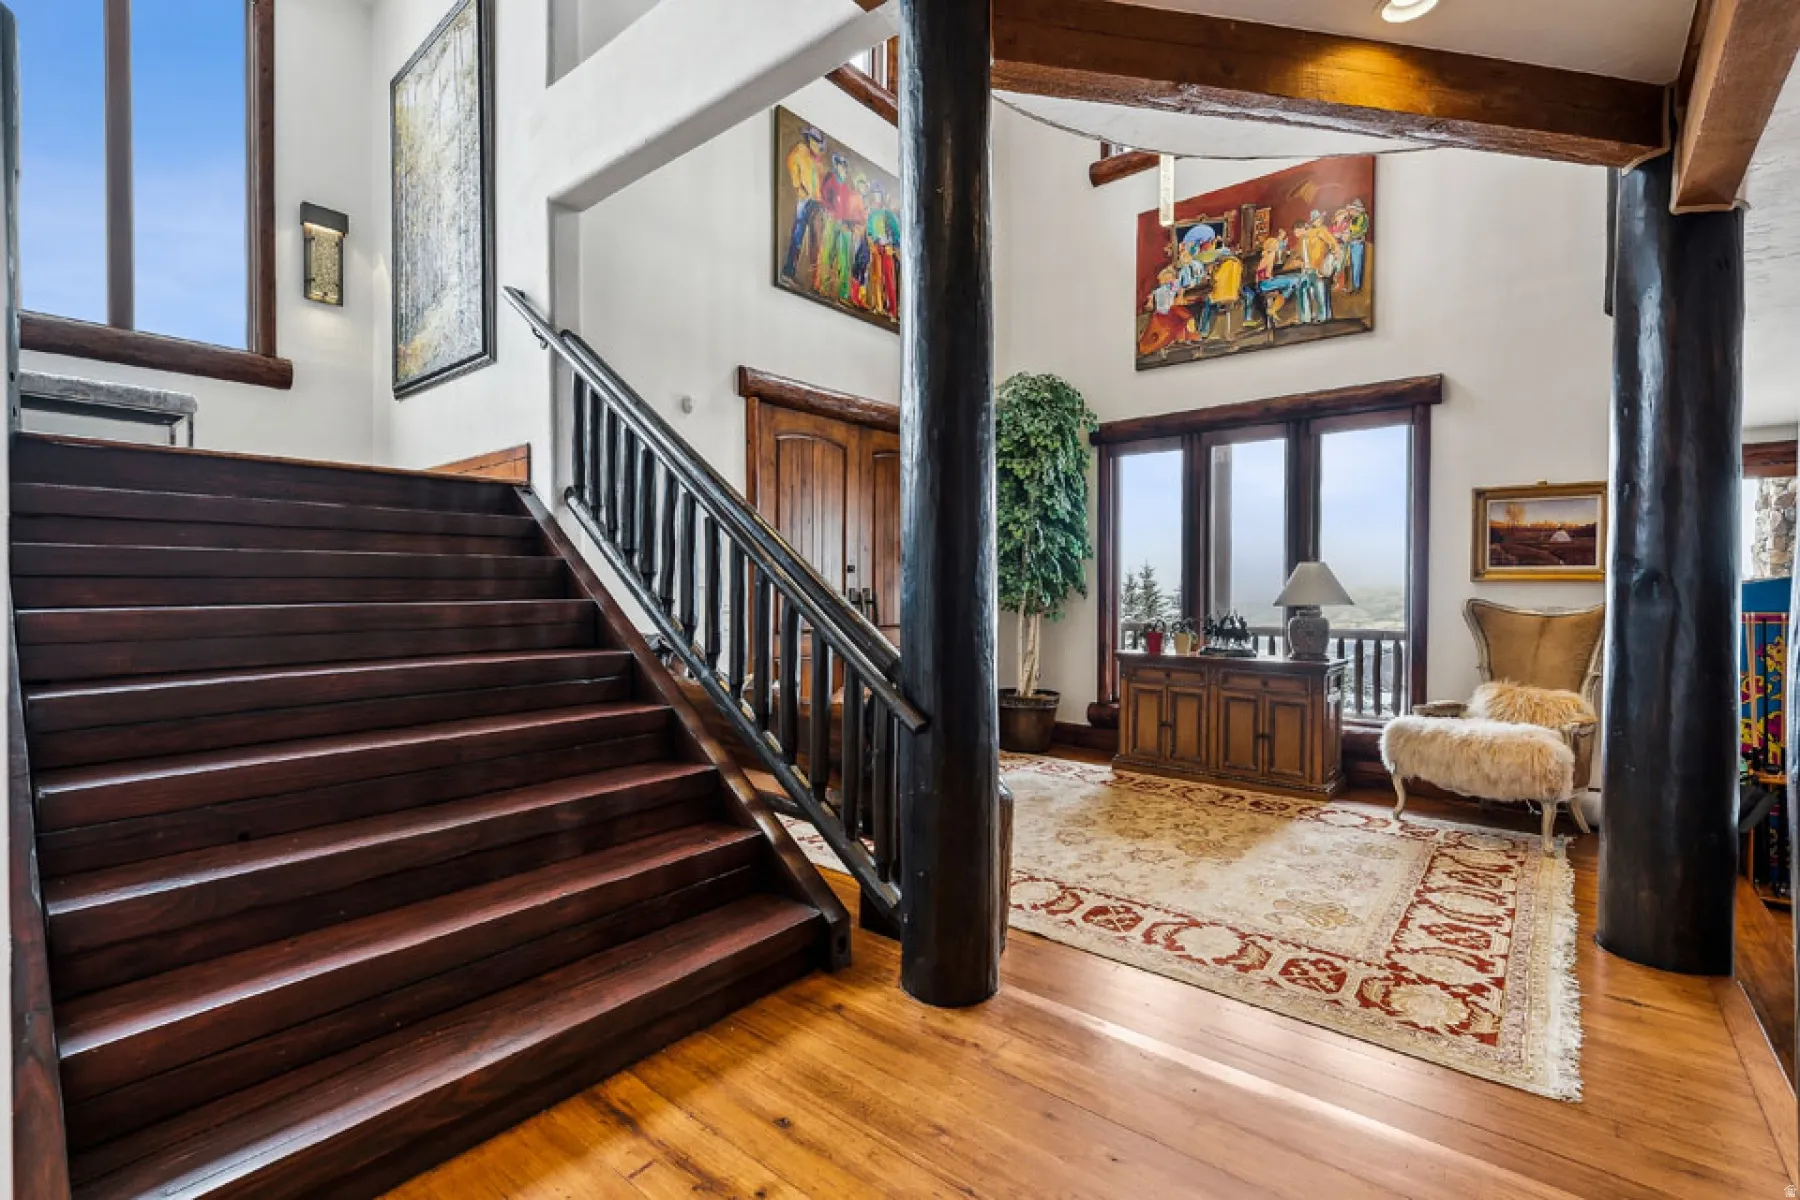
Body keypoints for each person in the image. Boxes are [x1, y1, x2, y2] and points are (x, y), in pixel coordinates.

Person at [781, 127, 828, 282]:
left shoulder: (818, 162)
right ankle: (789, 270)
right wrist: (798, 187)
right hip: (805, 200)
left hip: (817, 202)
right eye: (815, 141)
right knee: (798, 234)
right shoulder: (800, 151)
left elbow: (822, 182)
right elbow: (791, 162)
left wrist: (822, 200)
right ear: (810, 140)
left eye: (819, 143)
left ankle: (815, 280)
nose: (817, 146)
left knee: (816, 239)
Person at [864, 182, 901, 317]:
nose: (876, 198)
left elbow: (897, 232)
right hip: (876, 248)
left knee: (889, 278)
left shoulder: (888, 214)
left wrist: (893, 245)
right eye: (874, 195)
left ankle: (892, 310)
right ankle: (879, 306)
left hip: (887, 248)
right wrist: (870, 242)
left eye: (878, 195)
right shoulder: (871, 215)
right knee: (876, 277)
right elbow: (869, 231)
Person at [1340, 198, 1370, 293]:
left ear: (1357, 210)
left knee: (1357, 265)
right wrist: (1346, 233)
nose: (1350, 211)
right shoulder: (1352, 219)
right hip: (1350, 243)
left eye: (1352, 209)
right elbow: (1350, 229)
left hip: (1357, 243)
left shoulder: (1364, 217)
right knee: (1349, 265)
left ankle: (1356, 287)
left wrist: (1350, 235)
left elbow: (1362, 231)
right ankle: (1350, 285)